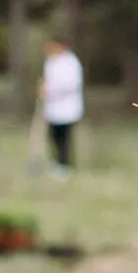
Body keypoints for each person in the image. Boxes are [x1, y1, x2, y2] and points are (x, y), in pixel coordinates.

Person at [38, 40, 83, 177]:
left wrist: (51, 90)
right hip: (52, 108)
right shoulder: (50, 62)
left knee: (64, 138)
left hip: (67, 108)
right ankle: (56, 162)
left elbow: (70, 84)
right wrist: (43, 89)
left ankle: (64, 165)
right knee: (53, 136)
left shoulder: (71, 62)